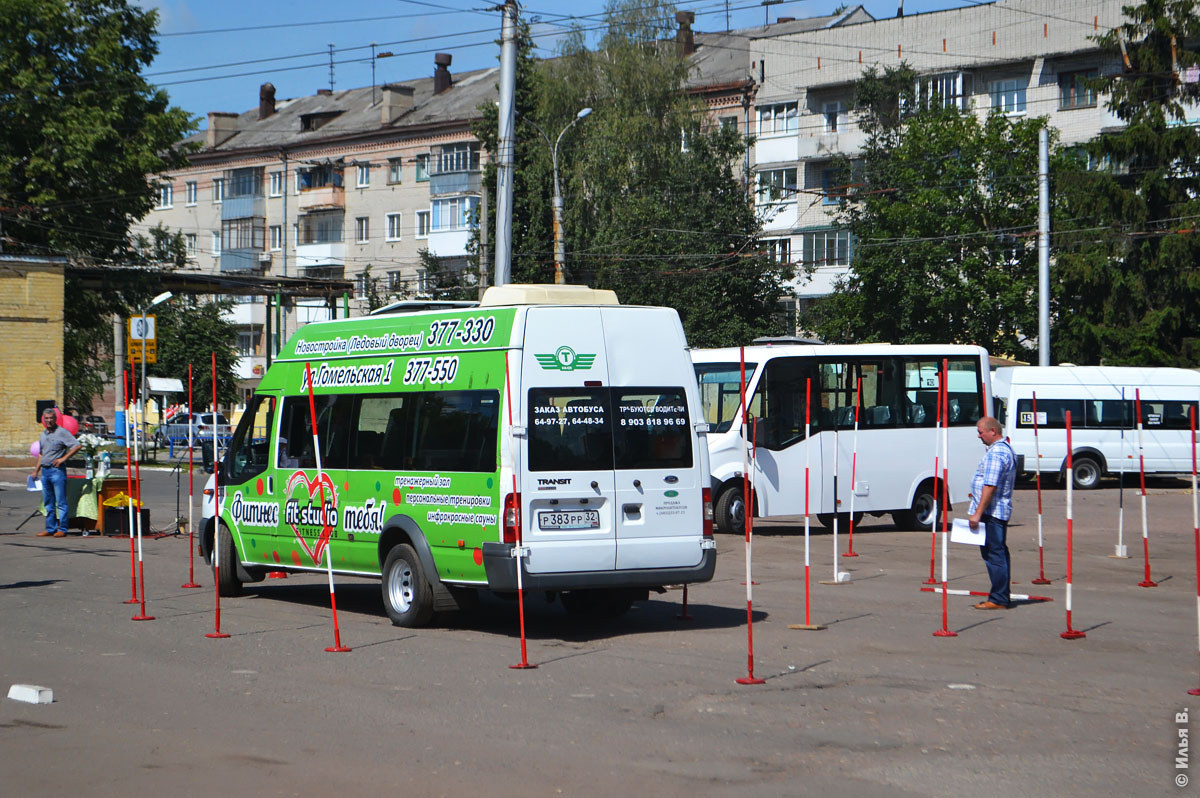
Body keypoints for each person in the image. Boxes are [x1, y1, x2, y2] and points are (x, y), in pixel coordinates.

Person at [967, 416, 1017, 609]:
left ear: (992, 432)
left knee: (994, 554)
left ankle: (998, 598)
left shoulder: (997, 453)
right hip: (995, 511)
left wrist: (978, 513)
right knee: (997, 553)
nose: (979, 436)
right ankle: (999, 595)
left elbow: (990, 485)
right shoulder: (1003, 449)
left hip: (992, 512)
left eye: (981, 432)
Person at [32, 407, 82, 538]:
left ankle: (63, 529)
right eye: (47, 418)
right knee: (48, 502)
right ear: (44, 419)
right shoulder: (43, 434)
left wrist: (64, 458)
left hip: (57, 471)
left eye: (51, 418)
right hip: (45, 471)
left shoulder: (62, 432)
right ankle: (50, 528)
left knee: (60, 502)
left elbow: (77, 445)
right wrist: (36, 471)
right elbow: (41, 454)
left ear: (55, 419)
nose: (49, 421)